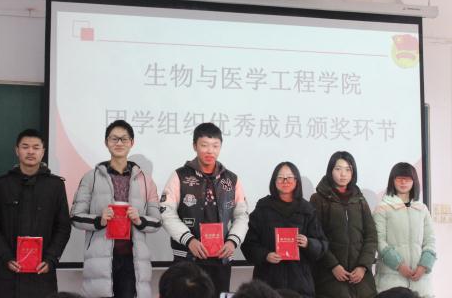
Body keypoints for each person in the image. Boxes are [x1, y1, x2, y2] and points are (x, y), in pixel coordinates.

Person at [71, 120, 162, 298]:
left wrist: (139, 220)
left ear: (131, 143)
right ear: (106, 142)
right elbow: (75, 216)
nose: (119, 143)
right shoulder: (91, 177)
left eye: (124, 139)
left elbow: (157, 221)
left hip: (133, 260)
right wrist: (99, 220)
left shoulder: (145, 180)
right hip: (100, 260)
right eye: (114, 139)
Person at [161, 123, 248, 297]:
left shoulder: (232, 179)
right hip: (187, 258)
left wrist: (232, 242)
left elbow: (242, 215)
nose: (210, 151)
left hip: (221, 260)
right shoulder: (180, 176)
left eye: (215, 146)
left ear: (220, 147)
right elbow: (166, 212)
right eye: (204, 145)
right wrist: (189, 240)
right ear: (195, 146)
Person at [0, 129, 72, 298]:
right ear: (17, 150)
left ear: (43, 152)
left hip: (42, 272)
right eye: (25, 147)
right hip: (8, 272)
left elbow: (63, 227)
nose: (30, 151)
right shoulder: (1, 185)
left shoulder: (55, 186)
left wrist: (51, 259)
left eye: (36, 147)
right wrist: (6, 256)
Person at [240, 162, 327, 298]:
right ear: (274, 181)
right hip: (268, 283)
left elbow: (322, 245)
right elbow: (248, 244)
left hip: (300, 284)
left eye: (289, 177)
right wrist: (265, 255)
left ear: (296, 181)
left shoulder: (307, 210)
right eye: (280, 178)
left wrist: (308, 243)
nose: (285, 181)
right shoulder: (263, 209)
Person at [309, 151, 378, 298]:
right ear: (330, 170)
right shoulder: (318, 199)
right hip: (329, 277)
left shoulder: (360, 200)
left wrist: (363, 266)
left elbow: (371, 236)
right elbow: (316, 237)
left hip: (361, 279)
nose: (343, 174)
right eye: (338, 169)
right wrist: (333, 266)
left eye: (348, 169)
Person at [373, 163, 436, 298]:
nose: (403, 182)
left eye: (407, 179)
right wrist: (399, 265)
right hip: (392, 280)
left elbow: (430, 240)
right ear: (392, 181)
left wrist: (423, 266)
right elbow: (379, 241)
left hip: (420, 281)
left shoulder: (422, 209)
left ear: (414, 181)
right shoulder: (382, 208)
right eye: (399, 178)